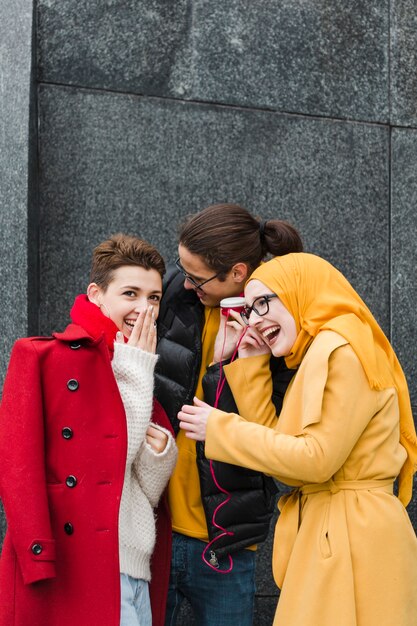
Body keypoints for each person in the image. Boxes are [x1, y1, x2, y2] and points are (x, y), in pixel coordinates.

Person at [178, 252, 417, 626]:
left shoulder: (340, 349)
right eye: (250, 308)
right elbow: (285, 453)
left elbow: (314, 461)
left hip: (350, 536)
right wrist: (253, 367)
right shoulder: (325, 350)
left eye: (263, 303)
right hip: (339, 529)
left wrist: (220, 428)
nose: (255, 319)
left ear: (299, 292)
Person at [0, 233, 177, 626]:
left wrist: (162, 452)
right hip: (71, 567)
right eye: (130, 293)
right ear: (96, 294)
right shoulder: (41, 357)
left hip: (134, 569)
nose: (144, 309)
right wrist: (37, 556)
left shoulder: (140, 366)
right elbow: (18, 469)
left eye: (154, 297)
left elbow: (143, 489)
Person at [154, 203, 303, 626]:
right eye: (182, 270)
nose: (185, 283)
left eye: (197, 277)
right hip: (155, 529)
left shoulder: (279, 325)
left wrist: (241, 362)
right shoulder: (172, 296)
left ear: (238, 272)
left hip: (227, 541)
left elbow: (276, 435)